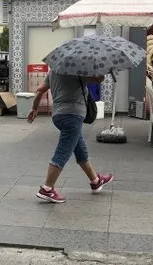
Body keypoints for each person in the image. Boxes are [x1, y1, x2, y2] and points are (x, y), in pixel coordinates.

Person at [27, 71, 113, 203]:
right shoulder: (78, 70)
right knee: (63, 151)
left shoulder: (54, 72)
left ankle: (95, 181)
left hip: (58, 115)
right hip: (72, 115)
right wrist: (105, 68)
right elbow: (98, 79)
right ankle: (47, 188)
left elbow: (39, 90)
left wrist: (34, 109)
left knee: (80, 148)